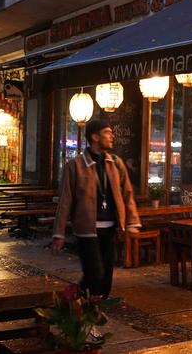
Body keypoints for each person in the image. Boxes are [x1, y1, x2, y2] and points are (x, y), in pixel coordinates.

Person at [52, 119, 141, 298]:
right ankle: (76, 304)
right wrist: (59, 234)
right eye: (107, 132)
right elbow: (65, 202)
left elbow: (127, 194)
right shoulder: (75, 166)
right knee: (95, 274)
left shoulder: (116, 163)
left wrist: (132, 222)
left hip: (110, 229)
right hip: (86, 231)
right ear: (95, 137)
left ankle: (89, 309)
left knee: (106, 278)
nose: (112, 136)